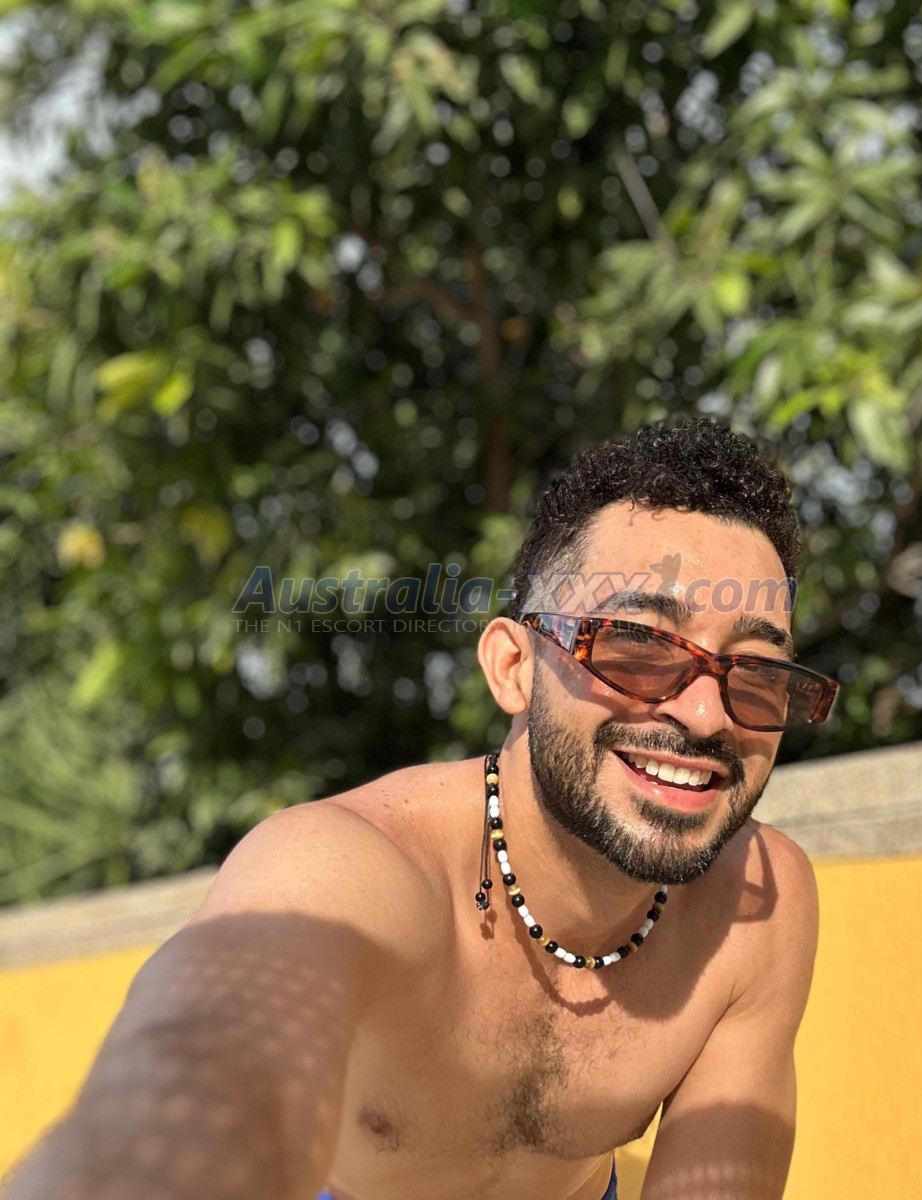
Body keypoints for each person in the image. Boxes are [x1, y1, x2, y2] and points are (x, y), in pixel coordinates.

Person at [2, 418, 837, 1200]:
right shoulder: (347, 872)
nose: (706, 715)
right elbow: (192, 1087)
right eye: (638, 645)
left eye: (759, 672)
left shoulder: (756, 908)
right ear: (514, 668)